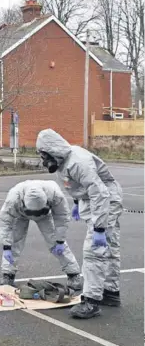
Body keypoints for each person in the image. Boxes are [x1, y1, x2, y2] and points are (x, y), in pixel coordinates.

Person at [36, 128, 123, 319]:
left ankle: (91, 301)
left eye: (44, 155)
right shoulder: (63, 162)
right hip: (92, 200)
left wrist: (100, 227)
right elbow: (77, 185)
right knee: (110, 248)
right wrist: (77, 202)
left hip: (104, 200)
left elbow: (99, 192)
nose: (44, 160)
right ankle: (110, 292)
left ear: (53, 150)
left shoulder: (77, 162)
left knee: (94, 251)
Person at [0, 180, 83, 291]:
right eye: (32, 213)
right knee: (13, 242)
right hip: (20, 214)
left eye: (37, 213)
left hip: (45, 216)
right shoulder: (14, 198)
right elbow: (4, 221)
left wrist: (60, 241)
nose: (34, 217)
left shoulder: (55, 194)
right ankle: (7, 275)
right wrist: (6, 246)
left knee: (55, 242)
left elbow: (62, 218)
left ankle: (73, 274)